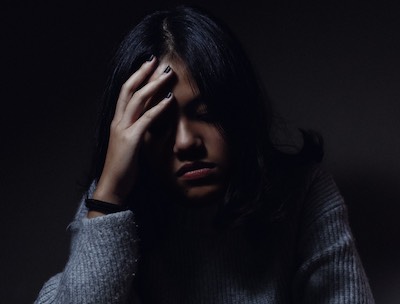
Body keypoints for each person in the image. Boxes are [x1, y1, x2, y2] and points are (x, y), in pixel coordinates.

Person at [35, 5, 375, 304]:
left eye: (208, 112)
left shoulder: (302, 193)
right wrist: (108, 196)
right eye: (158, 122)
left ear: (241, 111)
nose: (186, 142)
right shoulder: (112, 207)